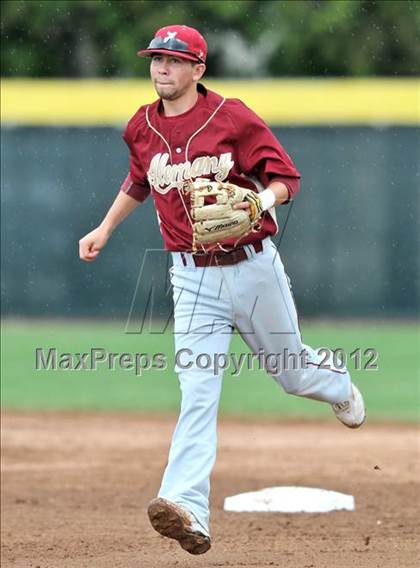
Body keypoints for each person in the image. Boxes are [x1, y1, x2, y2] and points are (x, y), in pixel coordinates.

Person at [79, 24, 365, 556]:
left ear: (197, 69)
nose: (161, 68)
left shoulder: (231, 115)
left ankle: (338, 384)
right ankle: (186, 507)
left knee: (291, 373)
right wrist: (105, 228)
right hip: (190, 275)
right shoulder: (141, 126)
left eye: (172, 60)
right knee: (198, 389)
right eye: (155, 59)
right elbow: (140, 180)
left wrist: (261, 203)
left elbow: (286, 176)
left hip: (253, 268)